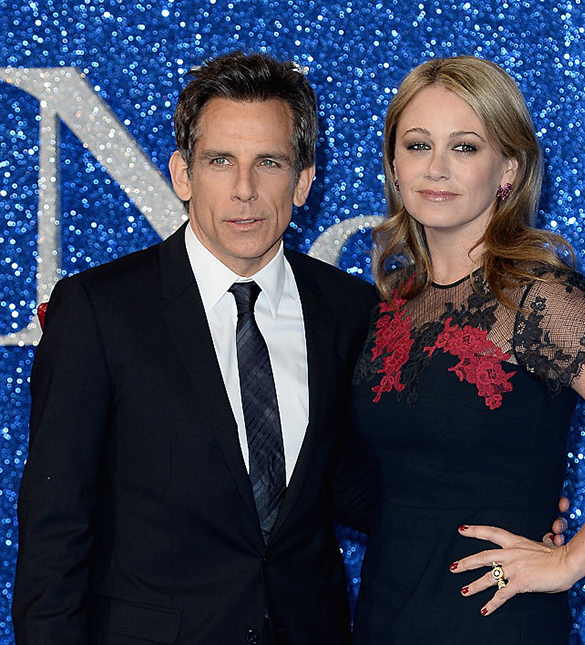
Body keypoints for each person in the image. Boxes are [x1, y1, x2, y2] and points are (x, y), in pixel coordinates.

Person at [12, 51, 378, 645]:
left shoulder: (348, 310)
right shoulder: (100, 309)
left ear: (303, 180)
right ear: (183, 174)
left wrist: (504, 505)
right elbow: (55, 527)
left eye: (269, 162)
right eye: (220, 161)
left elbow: (363, 486)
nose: (244, 190)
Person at [350, 56, 585, 644]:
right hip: (384, 616)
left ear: (508, 169)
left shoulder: (535, 296)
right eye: (418, 145)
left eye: (465, 147)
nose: (437, 167)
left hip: (495, 622)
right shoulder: (393, 301)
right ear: (394, 166)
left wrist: (568, 560)